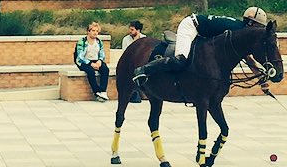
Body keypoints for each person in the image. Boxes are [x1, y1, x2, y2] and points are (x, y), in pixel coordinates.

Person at [133, 6, 268, 85]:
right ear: (250, 23)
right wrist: (258, 74)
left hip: (201, 32)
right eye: (259, 27)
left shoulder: (240, 29)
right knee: (181, 59)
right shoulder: (238, 31)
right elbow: (248, 58)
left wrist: (260, 76)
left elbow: (246, 56)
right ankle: (144, 70)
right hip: (191, 26)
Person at [75, 21, 109, 101]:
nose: (95, 33)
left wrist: (100, 61)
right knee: (90, 72)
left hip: (96, 60)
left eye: (97, 31)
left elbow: (102, 53)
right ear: (88, 31)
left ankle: (103, 91)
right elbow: (80, 56)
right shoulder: (82, 42)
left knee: (105, 69)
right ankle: (96, 91)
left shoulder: (99, 42)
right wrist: (90, 63)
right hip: (84, 62)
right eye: (93, 31)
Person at [121, 20, 145, 103]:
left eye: (132, 30)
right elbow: (125, 54)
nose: (130, 31)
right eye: (130, 29)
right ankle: (134, 94)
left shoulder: (144, 39)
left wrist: (137, 40)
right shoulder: (126, 39)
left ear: (138, 30)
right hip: (129, 63)